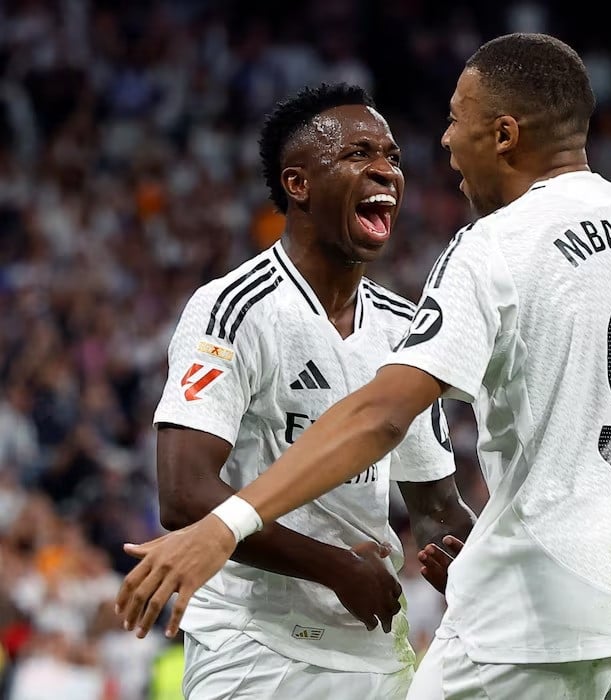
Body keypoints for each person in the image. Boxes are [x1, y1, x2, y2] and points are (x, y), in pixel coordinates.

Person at [116, 34, 611, 698]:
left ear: (503, 134)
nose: (437, 147)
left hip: (538, 608)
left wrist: (226, 527)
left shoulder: (492, 248)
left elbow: (381, 419)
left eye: (452, 122)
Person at [139, 83, 475, 699]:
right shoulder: (232, 309)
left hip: (375, 648)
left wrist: (476, 565)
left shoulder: (407, 328)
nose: (385, 169)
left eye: (393, 157)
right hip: (254, 647)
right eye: (358, 153)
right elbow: (184, 494)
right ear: (299, 185)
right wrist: (336, 568)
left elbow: (434, 508)